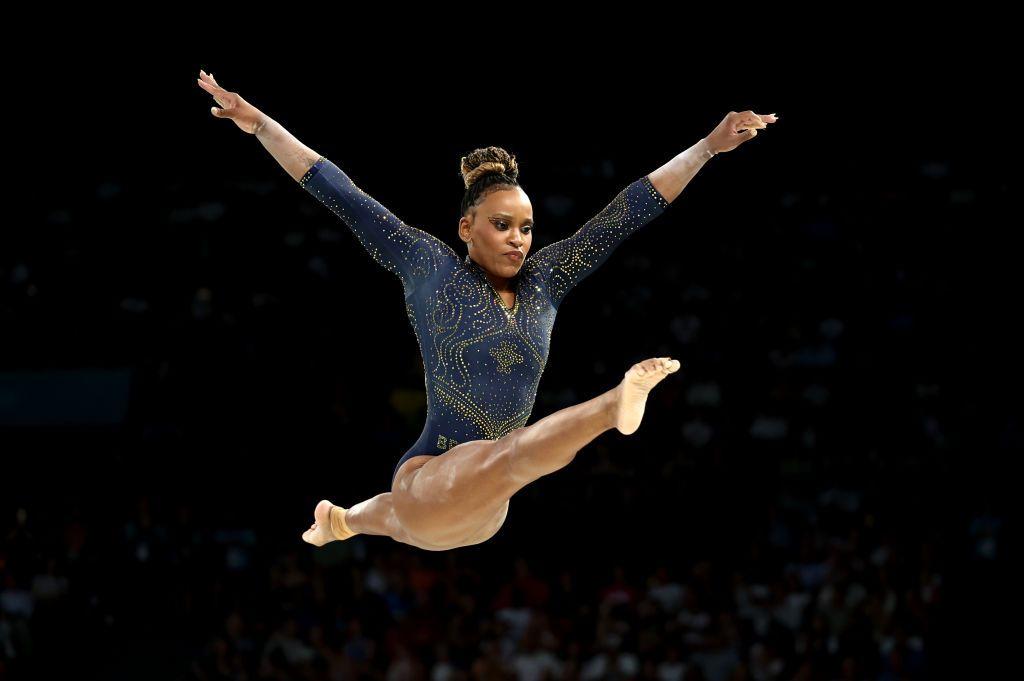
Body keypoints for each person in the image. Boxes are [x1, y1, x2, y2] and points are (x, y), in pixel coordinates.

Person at [196, 69, 777, 551]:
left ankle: (342, 521)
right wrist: (258, 124)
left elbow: (630, 210)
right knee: (492, 466)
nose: (518, 239)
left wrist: (707, 147)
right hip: (430, 473)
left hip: (485, 512)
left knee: (447, 494)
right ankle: (611, 407)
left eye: (526, 227)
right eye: (501, 226)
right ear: (465, 228)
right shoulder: (430, 266)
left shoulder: (547, 280)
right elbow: (338, 191)